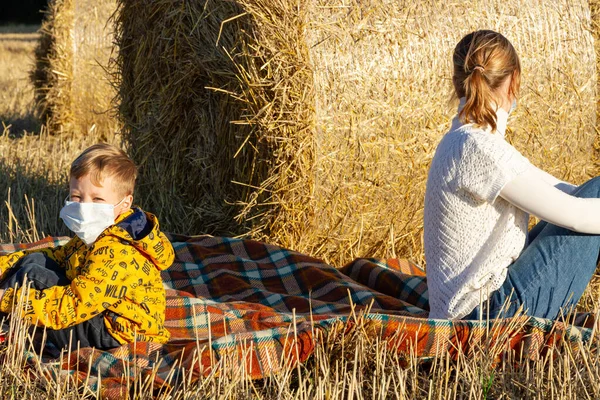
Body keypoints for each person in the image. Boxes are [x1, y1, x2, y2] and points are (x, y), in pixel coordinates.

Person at [424, 30, 600, 321]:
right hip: (486, 315)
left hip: (479, 308)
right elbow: (576, 214)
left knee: (593, 193)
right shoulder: (479, 148)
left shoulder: (468, 141)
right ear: (514, 81)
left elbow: (563, 191)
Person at [0, 143, 175, 350]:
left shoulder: (118, 252)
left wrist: (8, 299)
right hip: (97, 310)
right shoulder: (101, 231)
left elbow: (72, 306)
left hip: (114, 332)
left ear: (125, 203)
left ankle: (8, 323)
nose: (84, 207)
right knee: (35, 262)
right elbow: (58, 255)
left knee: (32, 274)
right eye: (77, 197)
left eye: (97, 199)